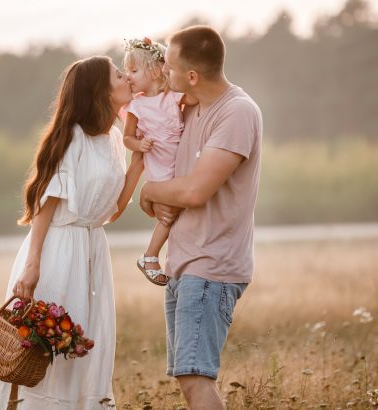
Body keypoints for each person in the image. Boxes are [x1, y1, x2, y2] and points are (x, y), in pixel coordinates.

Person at [0, 56, 143, 410]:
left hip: (92, 249)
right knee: (51, 348)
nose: (127, 78)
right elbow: (47, 206)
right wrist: (33, 263)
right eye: (119, 74)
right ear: (100, 90)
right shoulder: (72, 138)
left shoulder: (115, 139)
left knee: (85, 342)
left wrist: (139, 163)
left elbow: (114, 210)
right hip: (59, 249)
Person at [139, 26, 263, 409]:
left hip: (211, 267)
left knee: (196, 379)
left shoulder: (237, 112)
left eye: (171, 68)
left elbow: (194, 191)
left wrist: (148, 192)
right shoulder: (190, 105)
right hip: (184, 264)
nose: (165, 74)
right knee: (188, 378)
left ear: (192, 75)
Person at [122, 37, 196, 286]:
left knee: (179, 211)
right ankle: (150, 256)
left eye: (133, 70)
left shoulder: (172, 97)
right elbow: (127, 138)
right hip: (159, 169)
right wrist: (138, 145)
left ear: (155, 71)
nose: (128, 76)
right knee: (169, 215)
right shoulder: (137, 106)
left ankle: (169, 256)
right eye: (126, 71)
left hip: (180, 166)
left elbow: (195, 99)